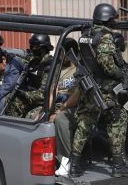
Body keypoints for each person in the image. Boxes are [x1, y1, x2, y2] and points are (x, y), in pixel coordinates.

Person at [69, 3, 128, 178]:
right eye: (113, 19)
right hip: (104, 89)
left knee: (84, 125)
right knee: (118, 119)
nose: (114, 22)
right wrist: (121, 74)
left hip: (89, 87)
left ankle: (73, 165)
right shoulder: (105, 37)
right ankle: (118, 165)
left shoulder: (85, 35)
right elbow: (107, 65)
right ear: (107, 18)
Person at [48, 38, 80, 176]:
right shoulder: (58, 67)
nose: (60, 57)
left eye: (63, 54)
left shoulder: (80, 67)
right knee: (34, 118)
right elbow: (52, 91)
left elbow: (78, 95)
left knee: (61, 120)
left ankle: (65, 162)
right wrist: (47, 111)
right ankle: (47, 160)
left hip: (76, 107)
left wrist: (59, 110)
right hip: (60, 106)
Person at [4, 34, 53, 118]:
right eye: (32, 47)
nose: (33, 49)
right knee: (10, 102)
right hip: (29, 98)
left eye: (36, 47)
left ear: (44, 48)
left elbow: (43, 94)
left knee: (30, 116)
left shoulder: (49, 66)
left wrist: (25, 94)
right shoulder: (33, 61)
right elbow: (22, 58)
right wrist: (8, 55)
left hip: (41, 102)